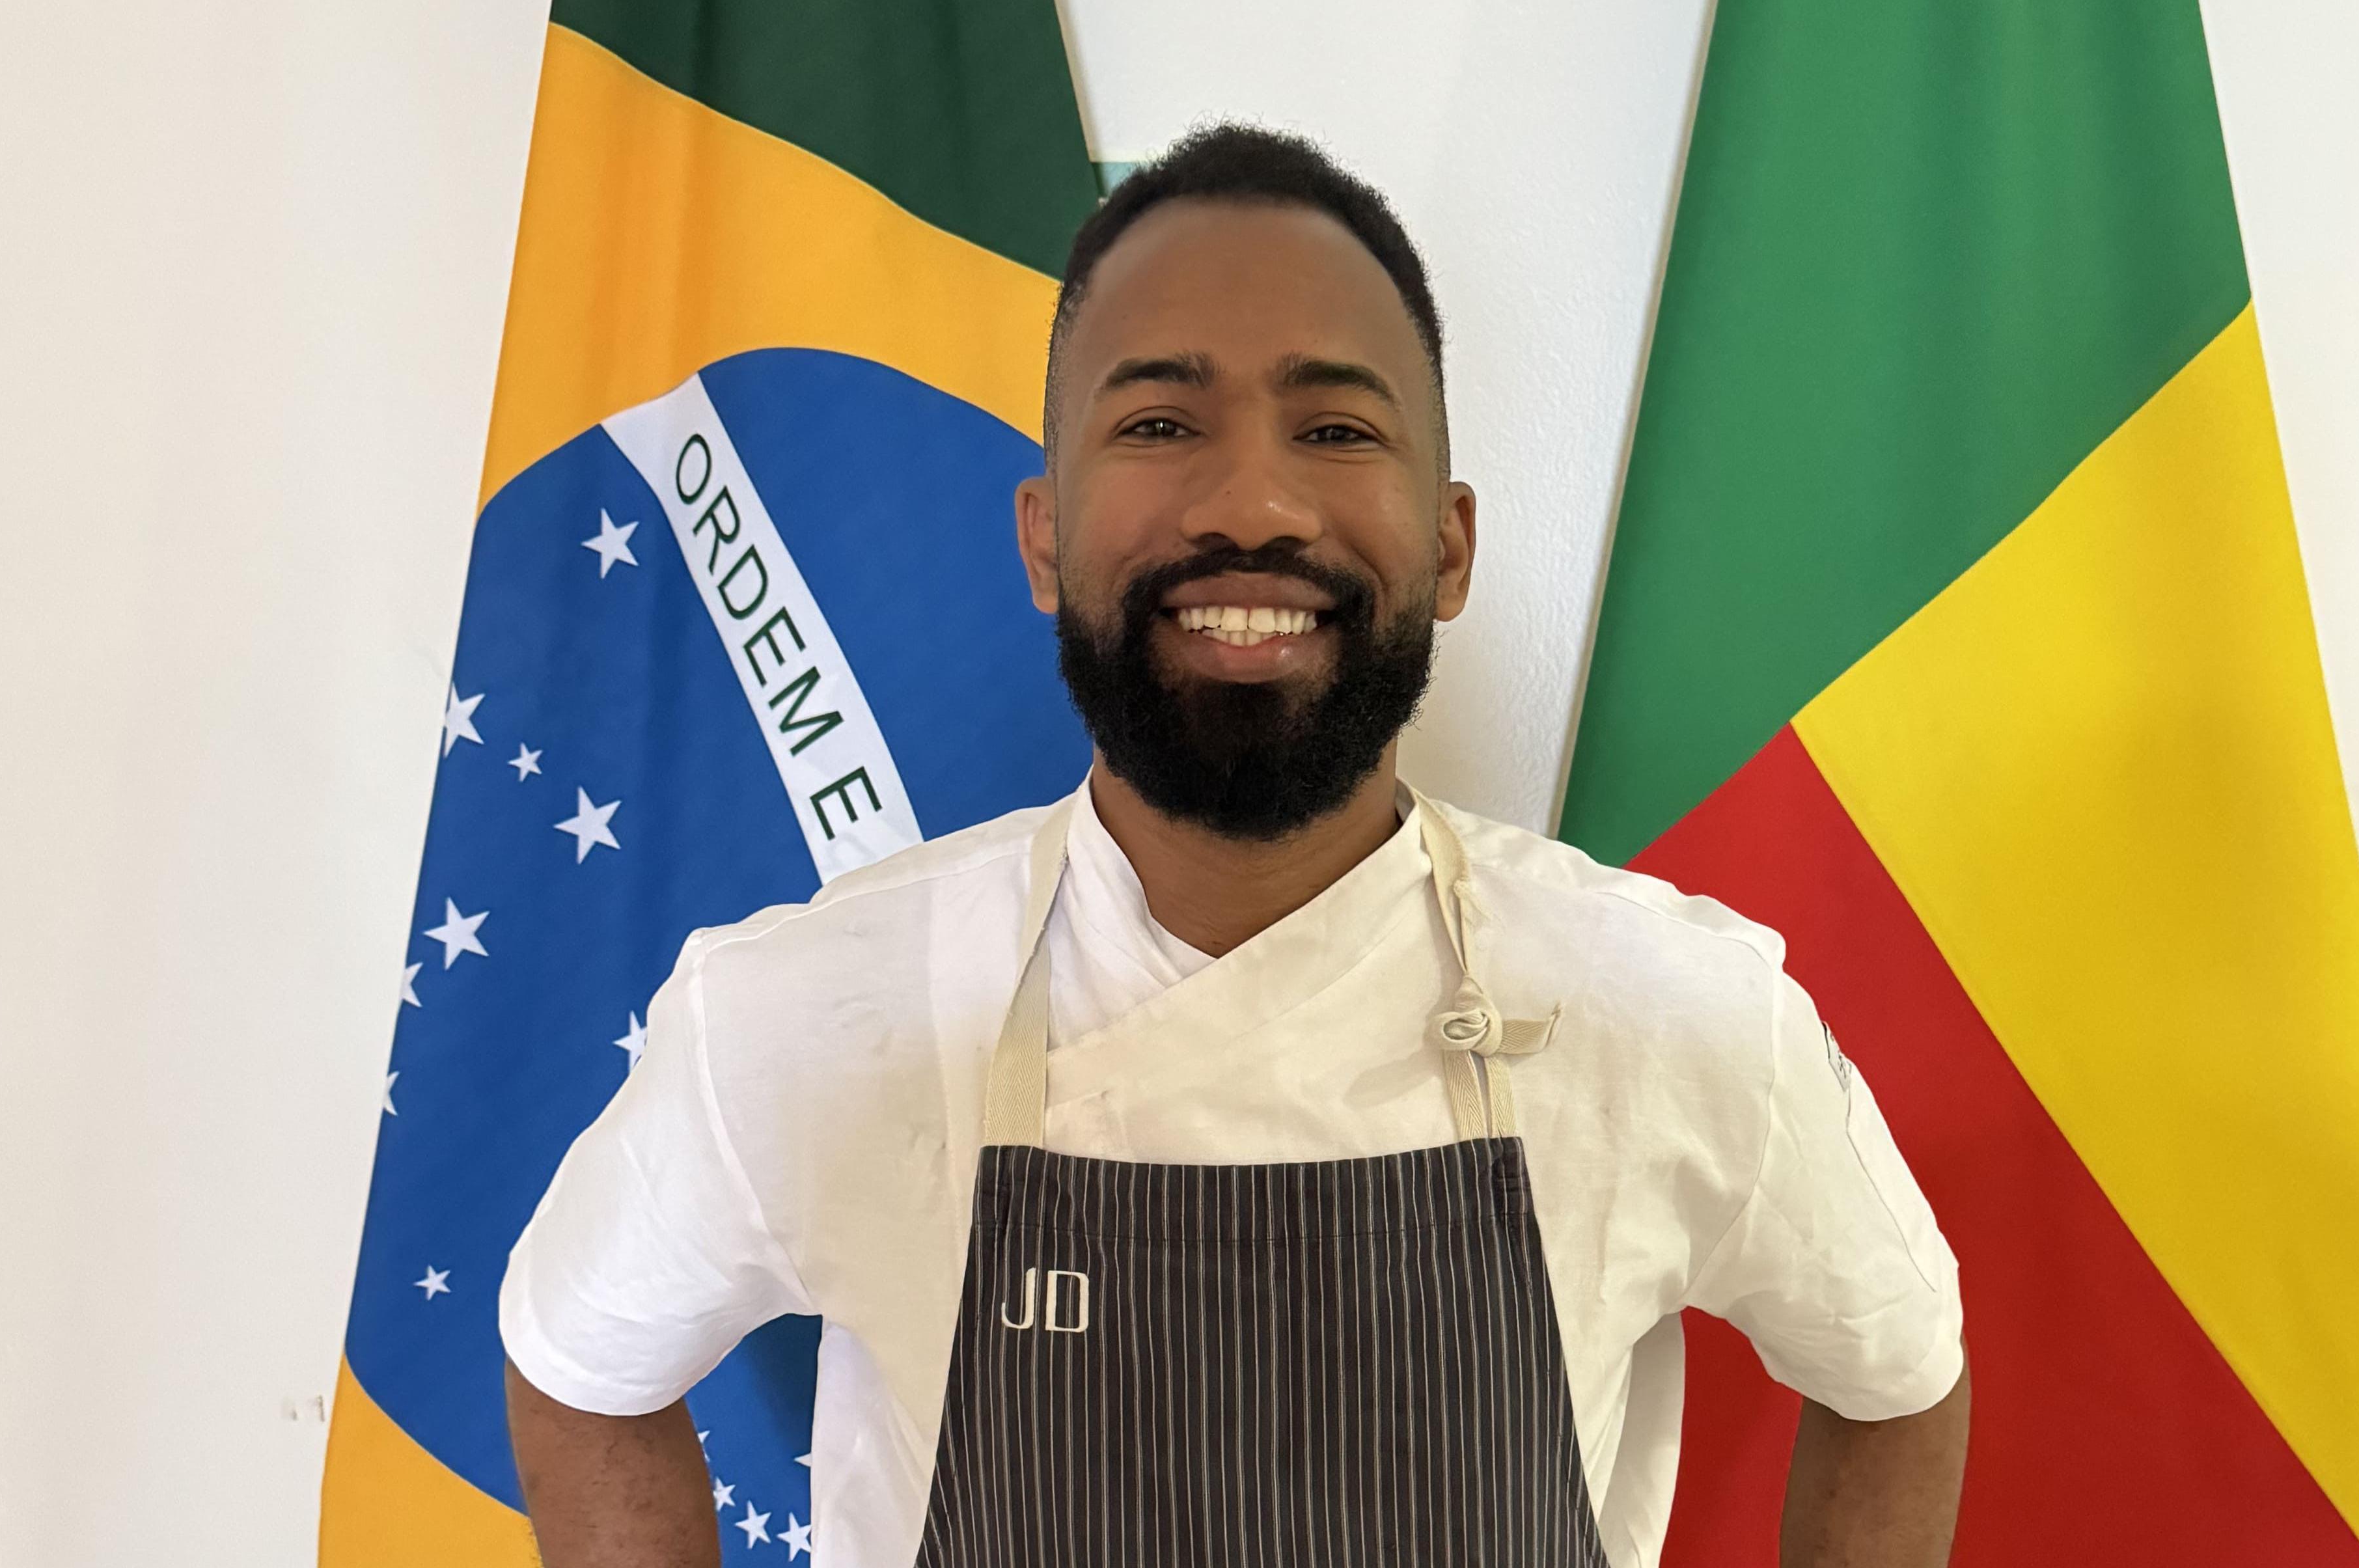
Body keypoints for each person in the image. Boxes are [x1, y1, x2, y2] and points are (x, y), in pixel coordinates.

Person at [501, 123, 1970, 1567]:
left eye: (1335, 428)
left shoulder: (1677, 1014)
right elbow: (577, 1367)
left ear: (1450, 545)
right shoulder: (801, 1015)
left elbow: (1899, 1374)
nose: (1254, 502)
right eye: (1157, 423)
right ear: (1043, 536)